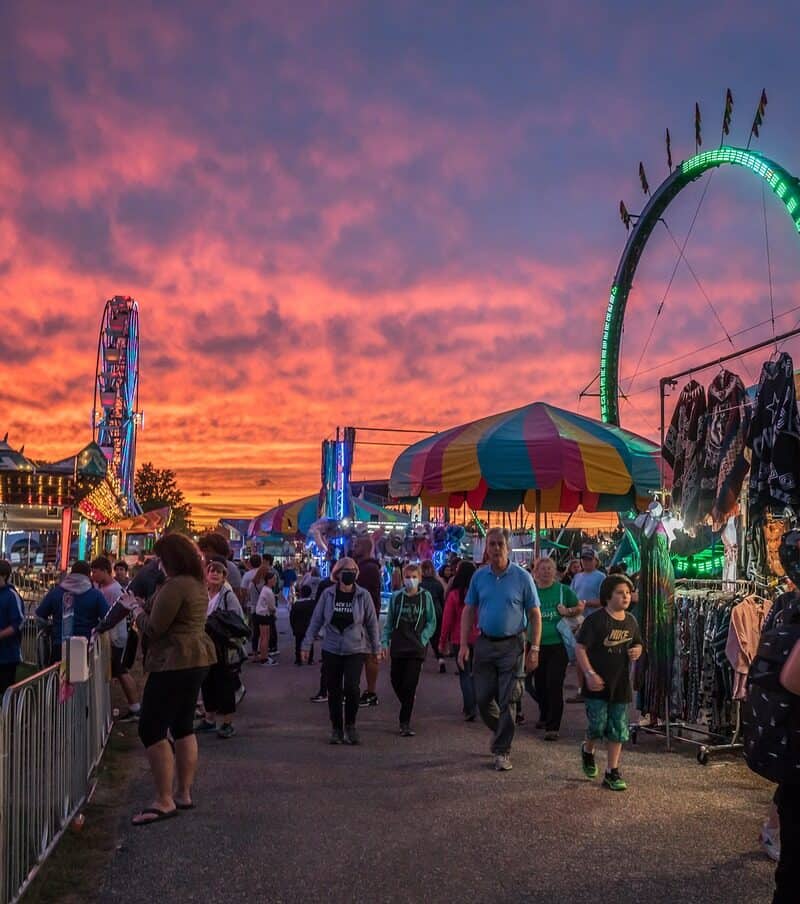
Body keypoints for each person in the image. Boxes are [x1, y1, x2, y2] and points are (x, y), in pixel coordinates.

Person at [121, 533, 216, 825]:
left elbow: (153, 628)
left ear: (170, 559)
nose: (157, 564)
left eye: (161, 559)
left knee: (151, 727)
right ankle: (183, 792)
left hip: (174, 661)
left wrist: (133, 609)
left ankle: (163, 799)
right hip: (197, 658)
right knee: (183, 725)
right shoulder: (196, 584)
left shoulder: (176, 586)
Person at [459, 528, 541, 771]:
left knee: (509, 700)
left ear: (508, 548)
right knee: (482, 699)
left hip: (512, 646)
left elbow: (534, 614)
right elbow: (468, 610)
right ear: (486, 548)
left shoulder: (522, 577)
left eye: (499, 544)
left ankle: (502, 750)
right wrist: (463, 644)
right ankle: (503, 732)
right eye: (491, 544)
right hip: (484, 644)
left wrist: (534, 648)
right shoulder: (479, 577)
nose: (495, 549)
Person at [301, 557, 380, 745]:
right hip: (332, 648)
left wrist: (376, 648)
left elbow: (372, 623)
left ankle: (351, 725)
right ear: (338, 573)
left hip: (355, 649)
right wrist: (306, 644)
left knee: (352, 688)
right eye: (346, 570)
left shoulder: (363, 595)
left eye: (353, 570)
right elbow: (316, 620)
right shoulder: (328, 594)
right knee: (333, 690)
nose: (349, 573)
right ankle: (336, 728)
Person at [575, 574, 643, 791]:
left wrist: (637, 651)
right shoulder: (594, 621)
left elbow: (638, 644)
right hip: (596, 685)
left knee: (618, 728)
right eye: (619, 593)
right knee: (597, 726)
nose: (625, 596)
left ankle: (612, 771)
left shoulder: (632, 621)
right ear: (607, 595)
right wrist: (589, 673)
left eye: (627, 593)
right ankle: (588, 750)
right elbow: (580, 648)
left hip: (620, 684)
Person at [525, 556, 583, 741]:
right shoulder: (530, 590)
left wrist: (568, 611)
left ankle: (553, 726)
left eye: (549, 568)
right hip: (535, 644)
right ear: (535, 572)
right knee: (538, 684)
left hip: (558, 645)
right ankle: (544, 713)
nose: (546, 571)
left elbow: (579, 607)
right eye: (542, 568)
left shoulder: (562, 590)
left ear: (555, 571)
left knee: (554, 683)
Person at [380, 562, 437, 736]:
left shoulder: (425, 597)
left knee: (410, 683)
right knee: (396, 680)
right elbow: (389, 622)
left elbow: (431, 620)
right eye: (407, 577)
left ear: (420, 579)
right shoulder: (396, 597)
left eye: (414, 577)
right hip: (398, 645)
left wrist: (423, 638)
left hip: (416, 647)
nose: (410, 580)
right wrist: (384, 642)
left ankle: (404, 722)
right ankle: (408, 701)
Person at [195, 556, 245, 738]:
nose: (215, 574)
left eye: (219, 572)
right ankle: (209, 719)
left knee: (225, 684)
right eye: (212, 571)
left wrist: (218, 621)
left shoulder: (227, 595)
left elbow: (237, 619)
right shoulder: (203, 593)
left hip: (223, 647)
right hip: (205, 646)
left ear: (224, 576)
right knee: (207, 683)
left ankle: (227, 722)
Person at [91, 556, 140, 721]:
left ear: (105, 571)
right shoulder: (102, 587)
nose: (93, 575)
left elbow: (120, 612)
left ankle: (135, 707)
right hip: (110, 635)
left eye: (95, 571)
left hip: (116, 637)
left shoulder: (114, 590)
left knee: (121, 671)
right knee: (116, 671)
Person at [36, 560, 109, 663]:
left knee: (59, 676)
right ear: (88, 575)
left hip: (60, 645)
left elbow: (39, 617)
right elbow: (107, 618)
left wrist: (49, 627)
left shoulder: (56, 593)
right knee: (84, 677)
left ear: (71, 573)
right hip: (86, 646)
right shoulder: (96, 595)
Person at [439, 561, 478, 720]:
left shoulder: (455, 594)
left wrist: (443, 640)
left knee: (464, 673)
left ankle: (469, 707)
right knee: (475, 674)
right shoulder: (479, 593)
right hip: (479, 637)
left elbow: (447, 619)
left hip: (458, 637)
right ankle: (473, 704)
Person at [351, 536, 382, 708]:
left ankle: (371, 692)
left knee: (369, 655)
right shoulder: (363, 566)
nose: (354, 548)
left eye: (357, 546)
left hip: (366, 618)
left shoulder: (368, 569)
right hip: (360, 617)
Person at [0, 560, 24, 694]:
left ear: (3, 576)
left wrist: (2, 634)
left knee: (6, 693)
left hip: (7, 655)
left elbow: (19, 622)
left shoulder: (11, 596)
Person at [420, 559, 447, 673]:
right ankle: (440, 659)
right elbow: (442, 600)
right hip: (437, 611)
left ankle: (420, 662)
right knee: (436, 638)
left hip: (422, 612)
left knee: (422, 637)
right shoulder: (438, 584)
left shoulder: (419, 584)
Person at [252, 566, 279, 665]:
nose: (275, 581)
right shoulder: (268, 591)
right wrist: (274, 613)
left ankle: (264, 656)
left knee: (263, 636)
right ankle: (264, 658)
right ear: (269, 580)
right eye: (274, 579)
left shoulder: (265, 589)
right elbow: (271, 607)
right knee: (265, 637)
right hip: (264, 615)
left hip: (259, 614)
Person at [570, 546, 605, 614]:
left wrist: (584, 602)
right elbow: (570, 595)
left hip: (594, 616)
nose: (586, 562)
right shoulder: (577, 577)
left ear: (596, 561)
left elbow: (603, 600)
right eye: (584, 559)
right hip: (578, 618)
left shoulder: (601, 577)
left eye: (589, 559)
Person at [290, 584, 316, 665]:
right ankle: (310, 659)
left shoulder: (296, 604)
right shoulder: (313, 603)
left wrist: (293, 627)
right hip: (309, 627)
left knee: (298, 643)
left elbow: (292, 617)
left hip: (298, 627)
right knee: (309, 643)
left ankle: (298, 660)